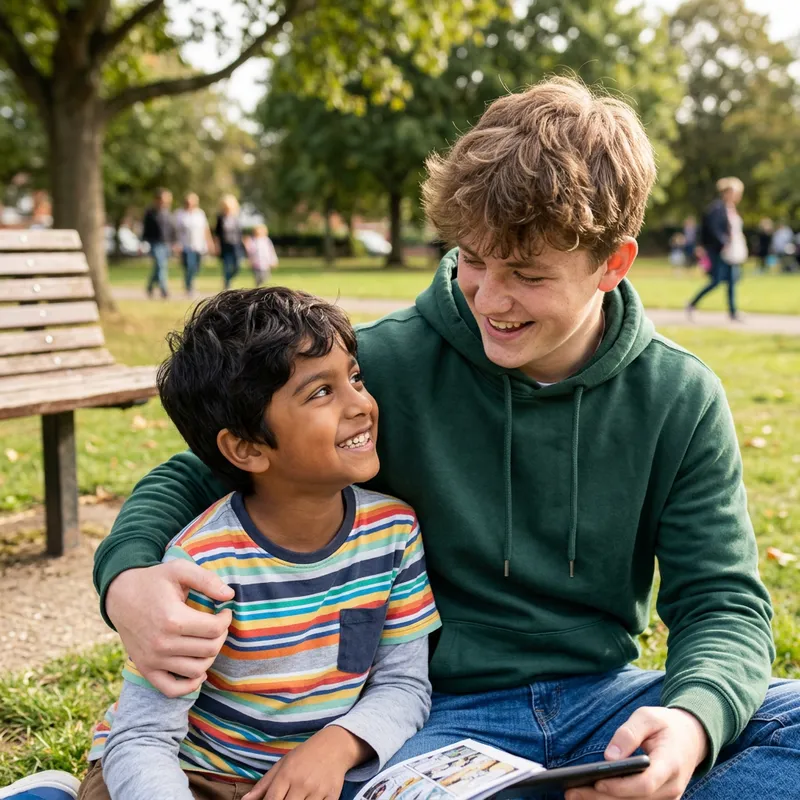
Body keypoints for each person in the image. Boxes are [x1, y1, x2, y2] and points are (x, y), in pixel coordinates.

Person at [91, 78, 799, 800]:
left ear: (612, 265)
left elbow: (723, 604)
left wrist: (690, 724)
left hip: (603, 701)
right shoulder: (382, 369)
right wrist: (127, 581)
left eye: (527, 274)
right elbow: (196, 473)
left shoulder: (680, 396)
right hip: (439, 715)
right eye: (473, 259)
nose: (490, 299)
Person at [77, 288, 440, 800]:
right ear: (246, 448)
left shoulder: (394, 532)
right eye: (321, 393)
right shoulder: (200, 566)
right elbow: (143, 738)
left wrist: (338, 748)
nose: (360, 404)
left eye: (354, 378)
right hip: (192, 773)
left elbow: (403, 686)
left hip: (319, 778)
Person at [686, 177, 747, 321]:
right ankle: (692, 303)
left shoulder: (731, 209)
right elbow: (712, 229)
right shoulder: (717, 208)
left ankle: (733, 312)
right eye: (734, 192)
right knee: (717, 281)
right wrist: (724, 242)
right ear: (726, 192)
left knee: (732, 281)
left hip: (732, 251)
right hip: (720, 250)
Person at [174, 192, 213, 297]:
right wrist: (176, 244)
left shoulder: (200, 213)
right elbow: (175, 231)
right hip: (185, 245)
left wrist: (210, 242)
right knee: (189, 266)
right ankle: (189, 287)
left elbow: (205, 229)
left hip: (199, 245)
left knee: (196, 267)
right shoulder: (179, 214)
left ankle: (189, 281)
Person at [142, 188, 175, 299]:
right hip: (155, 243)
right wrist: (143, 242)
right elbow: (145, 230)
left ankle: (150, 286)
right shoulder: (150, 213)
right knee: (161, 265)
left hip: (166, 243)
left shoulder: (167, 213)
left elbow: (171, 229)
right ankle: (164, 291)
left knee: (158, 267)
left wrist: (174, 242)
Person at [215, 194, 244, 289]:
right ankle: (227, 284)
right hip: (225, 245)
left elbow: (240, 233)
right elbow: (217, 233)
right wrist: (217, 246)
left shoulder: (236, 218)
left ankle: (229, 278)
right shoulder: (220, 218)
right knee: (227, 266)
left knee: (237, 266)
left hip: (236, 245)